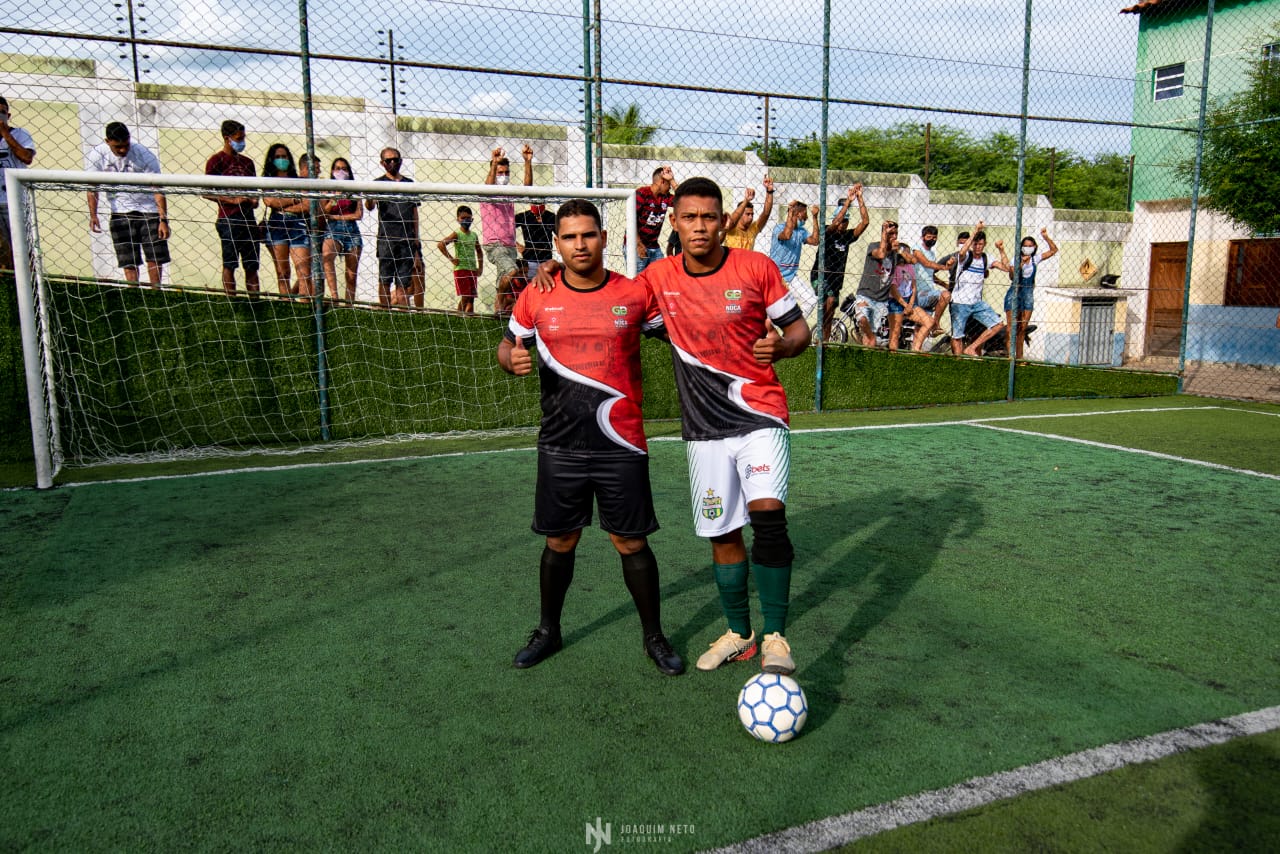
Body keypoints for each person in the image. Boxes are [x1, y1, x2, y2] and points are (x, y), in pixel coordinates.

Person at [531, 177, 811, 676]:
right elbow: (603, 290)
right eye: (689, 217)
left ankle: (775, 638)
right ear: (674, 224)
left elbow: (799, 331)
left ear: (723, 222)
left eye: (709, 217)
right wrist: (553, 268)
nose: (699, 226)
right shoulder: (655, 278)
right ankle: (739, 634)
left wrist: (784, 347)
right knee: (723, 533)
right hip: (703, 428)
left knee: (768, 519)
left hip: (759, 413)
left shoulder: (756, 267)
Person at [497, 198, 682, 676]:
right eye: (570, 237)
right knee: (560, 541)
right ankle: (548, 631)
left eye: (588, 234)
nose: (580, 244)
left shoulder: (634, 294)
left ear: (602, 238)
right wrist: (510, 360)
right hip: (560, 444)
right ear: (557, 244)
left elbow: (680, 334)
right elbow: (508, 344)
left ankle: (654, 636)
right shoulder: (536, 294)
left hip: (621, 444)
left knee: (631, 542)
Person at [85, 122, 170, 286]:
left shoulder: (144, 154)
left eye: (126, 145)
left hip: (149, 210)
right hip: (120, 211)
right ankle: (133, 291)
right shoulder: (97, 155)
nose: (123, 150)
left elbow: (158, 189)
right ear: (107, 141)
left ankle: (156, 292)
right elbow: (92, 187)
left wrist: (163, 219)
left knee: (155, 256)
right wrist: (93, 215)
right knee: (127, 259)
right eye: (118, 147)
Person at [203, 119, 260, 295]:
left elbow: (254, 191)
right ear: (227, 138)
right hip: (229, 218)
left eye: (243, 138)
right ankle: (231, 300)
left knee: (252, 265)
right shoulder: (216, 161)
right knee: (230, 264)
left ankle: (255, 301)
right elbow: (206, 192)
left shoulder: (247, 163)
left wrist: (253, 200)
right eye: (238, 138)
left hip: (248, 218)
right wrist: (232, 200)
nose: (242, 142)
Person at [809, 185, 868, 341]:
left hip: (836, 280)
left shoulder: (847, 236)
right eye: (840, 221)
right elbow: (834, 224)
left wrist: (860, 198)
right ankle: (821, 338)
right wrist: (848, 201)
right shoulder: (827, 231)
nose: (842, 224)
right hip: (821, 275)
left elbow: (865, 222)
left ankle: (824, 341)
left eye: (845, 221)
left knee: (831, 311)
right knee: (827, 304)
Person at [365, 147, 420, 307]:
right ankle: (385, 313)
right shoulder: (378, 184)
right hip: (386, 239)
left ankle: (403, 315)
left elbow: (414, 213)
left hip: (406, 240)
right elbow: (369, 206)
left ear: (401, 161)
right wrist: (370, 197)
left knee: (403, 283)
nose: (393, 163)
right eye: (388, 160)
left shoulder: (409, 184)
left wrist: (415, 238)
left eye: (396, 159)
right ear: (382, 163)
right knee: (385, 280)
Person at [481, 145, 534, 307]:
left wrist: (527, 162)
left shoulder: (509, 192)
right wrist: (494, 163)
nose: (503, 176)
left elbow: (527, 188)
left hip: (509, 244)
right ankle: (499, 302)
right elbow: (489, 185)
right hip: (494, 244)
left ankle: (498, 310)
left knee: (503, 278)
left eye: (506, 173)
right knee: (512, 271)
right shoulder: (487, 193)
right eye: (500, 173)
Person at [261, 143, 314, 298]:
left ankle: (304, 305)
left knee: (304, 271)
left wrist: (282, 204)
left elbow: (307, 205)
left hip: (298, 225)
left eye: (284, 156)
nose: (281, 160)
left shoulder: (298, 181)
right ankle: (285, 303)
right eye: (277, 157)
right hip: (277, 225)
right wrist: (294, 198)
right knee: (283, 272)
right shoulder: (268, 181)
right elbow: (270, 201)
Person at [949, 222, 1010, 356]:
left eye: (980, 244)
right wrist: (975, 231)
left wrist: (1001, 250)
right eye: (975, 244)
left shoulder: (986, 258)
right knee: (957, 335)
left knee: (998, 324)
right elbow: (962, 252)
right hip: (960, 302)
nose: (977, 247)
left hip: (977, 303)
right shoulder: (966, 257)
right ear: (972, 244)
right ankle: (958, 361)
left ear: (984, 244)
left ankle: (971, 348)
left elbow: (1006, 268)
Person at [1005, 228, 1058, 358]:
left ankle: (1019, 357)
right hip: (1014, 294)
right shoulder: (1015, 259)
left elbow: (1053, 250)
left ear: (1034, 247)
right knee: (1011, 328)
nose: (1028, 248)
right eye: (1025, 246)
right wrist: (1021, 264)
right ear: (1021, 247)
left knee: (1022, 328)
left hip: (1028, 295)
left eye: (1030, 246)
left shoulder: (1035, 259)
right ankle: (1010, 357)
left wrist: (1045, 237)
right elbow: (1012, 276)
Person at [0, 95, 36, 271]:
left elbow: (26, 157)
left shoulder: (20, 134)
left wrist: (5, 134)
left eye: (2, 112)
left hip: (13, 201)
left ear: (8, 115)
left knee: (21, 247)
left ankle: (29, 281)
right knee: (2, 251)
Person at [769, 200, 821, 319]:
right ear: (797, 214)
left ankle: (795, 325)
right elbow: (787, 235)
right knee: (772, 310)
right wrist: (790, 212)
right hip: (776, 277)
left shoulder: (801, 232)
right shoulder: (779, 228)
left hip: (791, 277)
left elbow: (815, 241)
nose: (806, 218)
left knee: (811, 300)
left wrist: (815, 217)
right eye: (804, 214)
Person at [852, 220, 900, 347]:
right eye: (891, 234)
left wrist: (901, 250)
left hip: (881, 300)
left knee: (872, 339)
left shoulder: (895, 253)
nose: (894, 237)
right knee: (862, 319)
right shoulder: (873, 246)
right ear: (884, 234)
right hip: (866, 294)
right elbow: (881, 254)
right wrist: (885, 234)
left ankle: (868, 350)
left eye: (896, 234)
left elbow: (912, 260)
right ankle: (871, 337)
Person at [321, 157, 362, 303]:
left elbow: (358, 214)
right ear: (332, 171)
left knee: (351, 275)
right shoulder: (328, 190)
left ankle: (349, 305)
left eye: (344, 169)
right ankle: (334, 297)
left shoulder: (354, 189)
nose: (341, 172)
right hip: (333, 228)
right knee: (327, 256)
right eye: (338, 169)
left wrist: (336, 216)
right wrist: (335, 198)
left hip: (351, 229)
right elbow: (324, 211)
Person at [886, 241, 937, 351]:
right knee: (895, 334)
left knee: (929, 322)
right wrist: (905, 305)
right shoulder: (894, 268)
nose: (910, 255)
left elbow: (913, 287)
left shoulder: (910, 267)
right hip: (896, 301)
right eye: (908, 253)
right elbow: (893, 290)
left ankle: (915, 350)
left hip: (909, 301)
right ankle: (892, 357)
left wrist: (910, 304)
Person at [909, 226, 954, 338]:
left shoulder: (932, 254)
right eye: (929, 237)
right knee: (945, 295)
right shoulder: (917, 249)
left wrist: (944, 284)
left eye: (934, 238)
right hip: (918, 293)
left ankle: (916, 347)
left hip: (929, 292)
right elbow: (926, 263)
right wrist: (945, 267)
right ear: (922, 237)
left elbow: (930, 274)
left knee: (921, 328)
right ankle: (936, 325)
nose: (932, 240)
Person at [438, 205, 482, 314]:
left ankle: (469, 319)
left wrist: (480, 268)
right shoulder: (457, 234)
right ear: (458, 219)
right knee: (465, 296)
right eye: (463, 218)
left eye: (468, 218)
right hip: (461, 269)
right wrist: (452, 259)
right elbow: (441, 245)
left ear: (472, 219)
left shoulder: (474, 235)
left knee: (471, 298)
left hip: (472, 269)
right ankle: (458, 317)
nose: (466, 220)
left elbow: (479, 251)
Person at [635, 165, 674, 272]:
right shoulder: (642, 193)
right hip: (637, 243)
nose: (670, 187)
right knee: (638, 279)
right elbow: (631, 221)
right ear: (662, 182)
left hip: (653, 245)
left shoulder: (665, 197)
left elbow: (684, 200)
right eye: (669, 184)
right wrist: (638, 244)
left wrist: (672, 180)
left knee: (661, 276)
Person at [722, 177, 775, 251]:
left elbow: (766, 214)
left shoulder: (753, 229)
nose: (751, 217)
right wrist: (746, 200)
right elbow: (731, 221)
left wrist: (769, 191)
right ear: (740, 214)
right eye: (748, 214)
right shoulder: (731, 228)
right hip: (732, 258)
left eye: (752, 214)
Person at [515, 201, 555, 280]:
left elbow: (561, 234)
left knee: (546, 283)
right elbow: (507, 228)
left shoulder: (551, 217)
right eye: (534, 203)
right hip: (530, 259)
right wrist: (516, 244)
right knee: (531, 283)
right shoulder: (524, 216)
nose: (537, 205)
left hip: (547, 260)